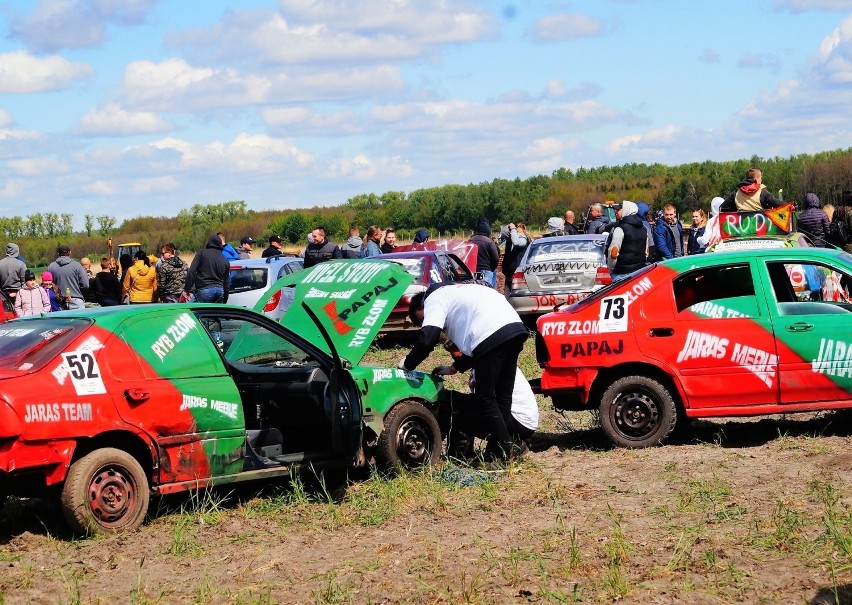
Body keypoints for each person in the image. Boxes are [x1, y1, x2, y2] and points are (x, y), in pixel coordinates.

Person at [401, 283, 528, 462]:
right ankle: (502, 448)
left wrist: (407, 364)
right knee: (503, 396)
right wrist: (455, 368)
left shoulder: (433, 299)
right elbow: (477, 352)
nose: (425, 323)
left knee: (486, 398)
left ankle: (508, 450)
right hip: (514, 329)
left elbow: (426, 340)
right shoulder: (457, 293)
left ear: (422, 305)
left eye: (422, 320)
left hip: (491, 334)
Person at [606, 201, 648, 281]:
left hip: (621, 274)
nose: (616, 212)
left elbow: (613, 252)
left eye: (618, 210)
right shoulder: (644, 229)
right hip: (639, 272)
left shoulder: (620, 229)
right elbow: (646, 252)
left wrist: (610, 269)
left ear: (626, 210)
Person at [185, 234, 231, 303]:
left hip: (204, 289)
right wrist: (224, 301)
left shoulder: (201, 253)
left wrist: (187, 289)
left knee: (195, 312)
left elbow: (191, 272)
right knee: (214, 313)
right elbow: (226, 284)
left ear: (209, 243)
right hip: (220, 290)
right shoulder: (225, 260)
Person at [47, 245, 89, 310]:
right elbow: (85, 284)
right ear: (70, 252)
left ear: (58, 254)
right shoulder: (77, 265)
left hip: (59, 302)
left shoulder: (51, 267)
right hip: (76, 300)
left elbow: (47, 285)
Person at [498, 222, 529, 296]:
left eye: (506, 237)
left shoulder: (522, 240)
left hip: (517, 272)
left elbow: (516, 242)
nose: (505, 239)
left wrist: (513, 229)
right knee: (508, 295)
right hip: (509, 273)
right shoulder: (510, 242)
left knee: (516, 294)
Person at [468, 218, 499, 288]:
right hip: (487, 271)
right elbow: (496, 258)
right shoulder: (490, 242)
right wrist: (492, 268)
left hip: (473, 271)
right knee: (489, 293)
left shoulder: (470, 241)